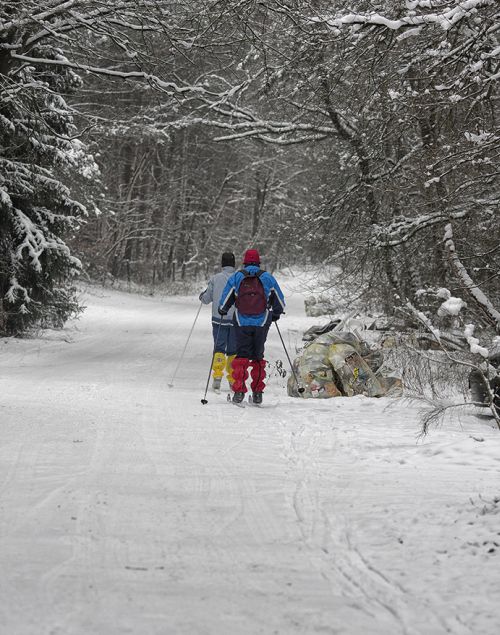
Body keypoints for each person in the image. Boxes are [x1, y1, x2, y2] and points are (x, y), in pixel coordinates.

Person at [218, 248, 285, 405]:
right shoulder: (267, 277)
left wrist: (223, 309)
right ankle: (257, 393)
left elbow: (225, 300)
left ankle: (239, 392)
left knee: (241, 355)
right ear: (258, 262)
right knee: (258, 356)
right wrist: (276, 313)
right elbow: (280, 301)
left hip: (241, 322)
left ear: (245, 262)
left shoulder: (237, 277)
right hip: (262, 322)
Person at [199, 252, 237, 393]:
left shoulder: (215, 278)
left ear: (222, 263)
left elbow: (206, 299)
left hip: (218, 319)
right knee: (233, 350)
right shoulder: (239, 278)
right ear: (234, 264)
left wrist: (202, 296)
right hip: (235, 320)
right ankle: (233, 379)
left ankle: (217, 377)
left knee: (219, 348)